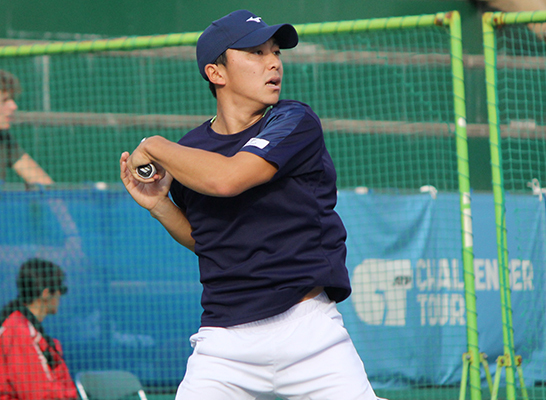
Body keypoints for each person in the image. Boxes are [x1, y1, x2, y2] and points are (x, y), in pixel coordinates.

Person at [120, 9, 382, 400]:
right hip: (224, 344)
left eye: (275, 51)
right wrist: (160, 205)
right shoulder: (190, 151)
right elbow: (209, 238)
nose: (274, 62)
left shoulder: (294, 120)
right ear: (216, 73)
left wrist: (153, 145)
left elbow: (227, 179)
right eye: (256, 53)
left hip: (308, 333)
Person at [0, 258, 77, 400]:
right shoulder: (19, 331)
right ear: (46, 293)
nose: (61, 294)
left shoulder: (26, 328)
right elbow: (37, 394)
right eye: (61, 288)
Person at [0, 69, 53, 186]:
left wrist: (59, 203)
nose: (14, 106)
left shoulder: (4, 138)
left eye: (12, 99)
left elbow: (41, 181)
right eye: (5, 100)